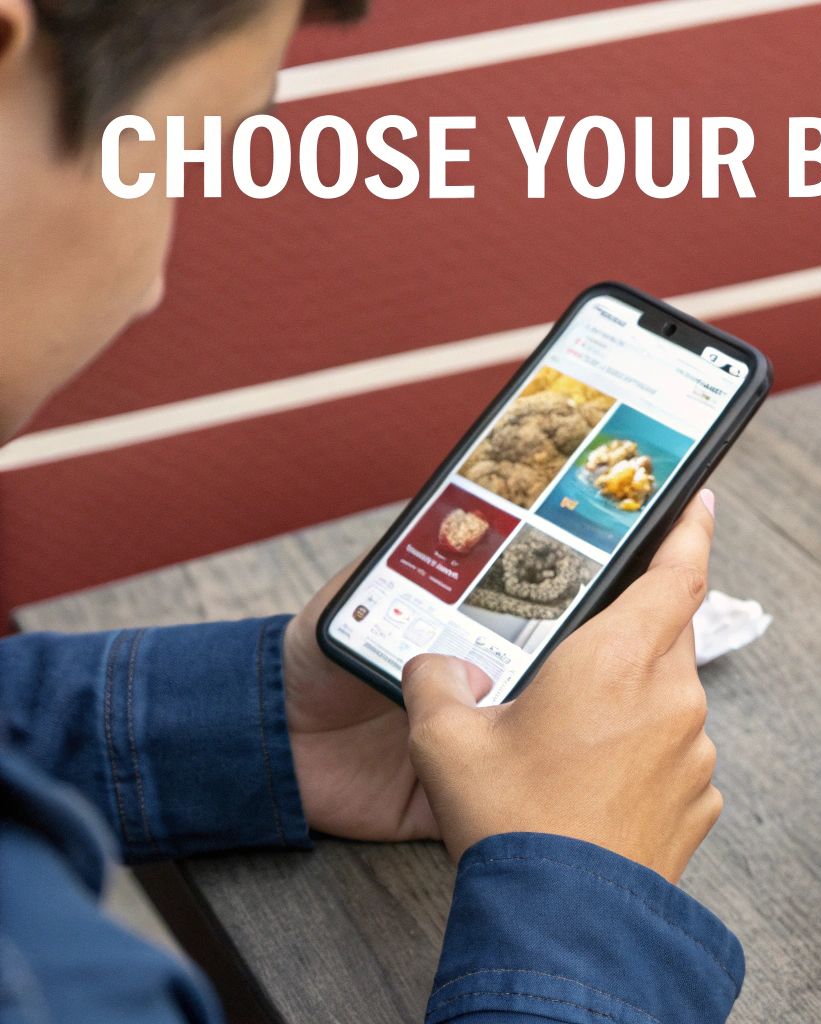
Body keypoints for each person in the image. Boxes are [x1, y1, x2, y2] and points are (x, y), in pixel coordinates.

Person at [0, 2, 740, 1022]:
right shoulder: (46, 982)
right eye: (172, 159)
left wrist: (263, 729)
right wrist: (578, 905)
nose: (150, 286)